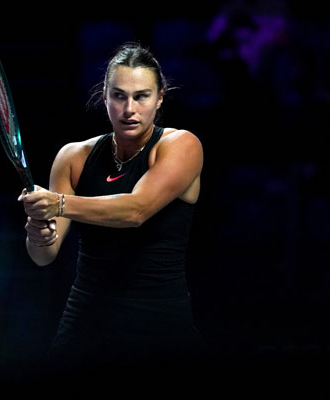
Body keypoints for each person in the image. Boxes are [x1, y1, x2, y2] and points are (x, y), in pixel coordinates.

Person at [17, 42, 206, 372]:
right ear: (104, 97)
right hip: (85, 322)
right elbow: (43, 256)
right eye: (118, 96)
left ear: (160, 97)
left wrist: (57, 204)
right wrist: (38, 230)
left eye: (141, 96)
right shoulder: (73, 157)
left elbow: (136, 210)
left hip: (161, 325)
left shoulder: (181, 145)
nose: (129, 108)